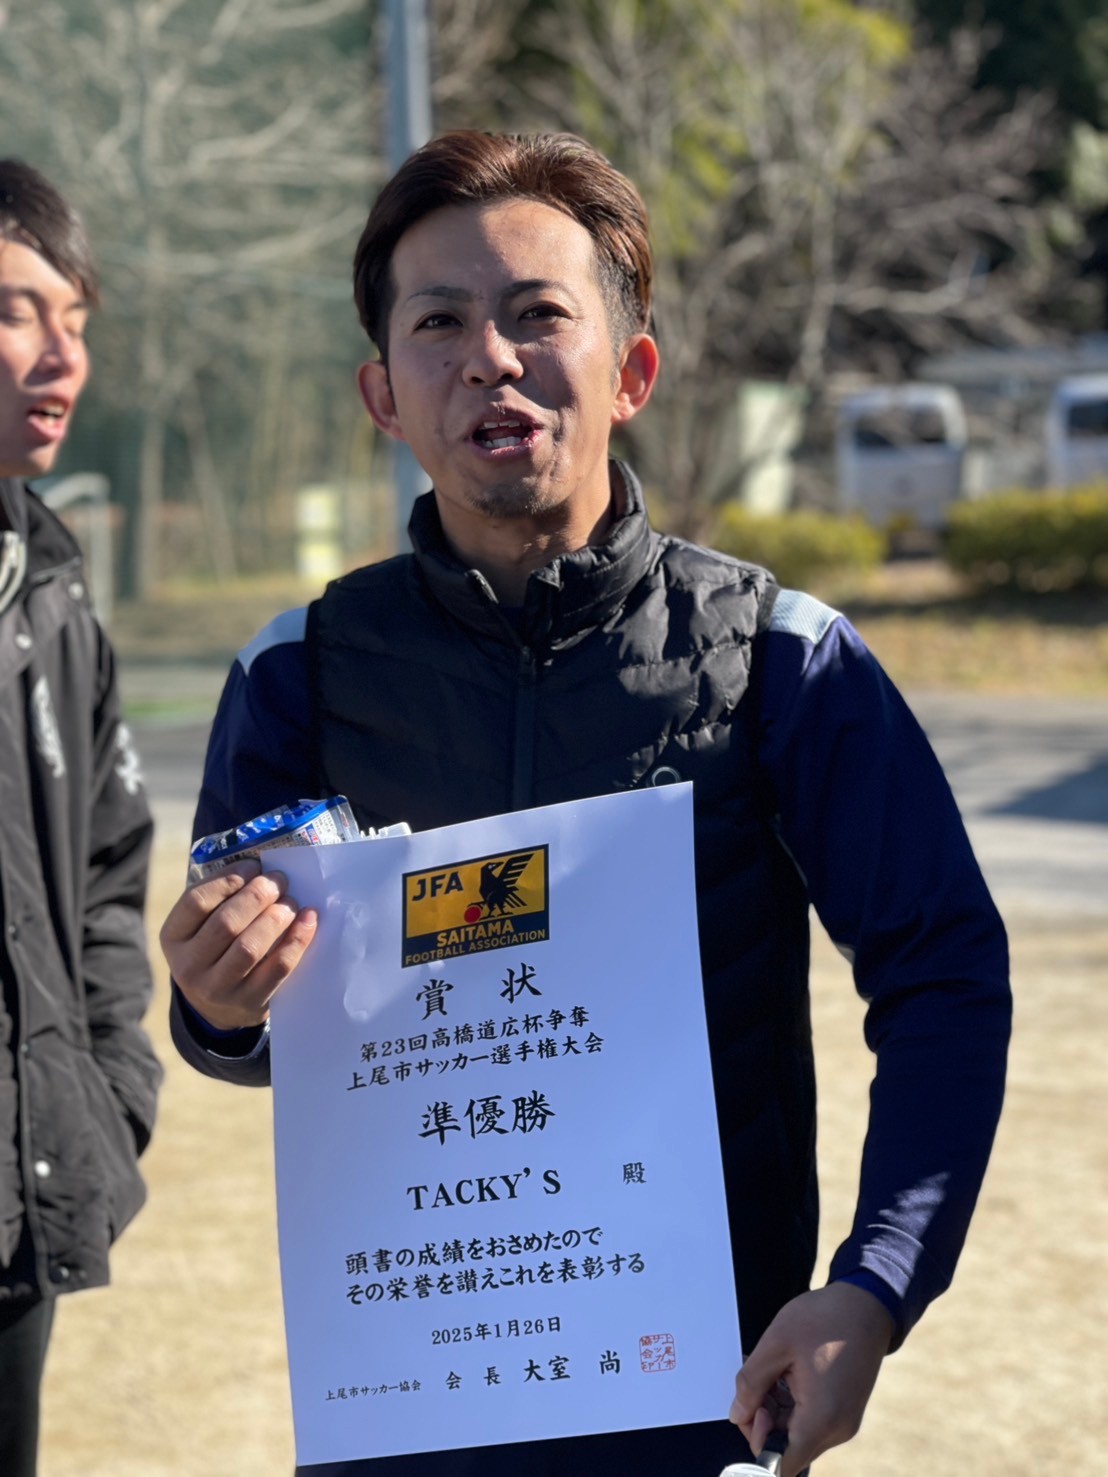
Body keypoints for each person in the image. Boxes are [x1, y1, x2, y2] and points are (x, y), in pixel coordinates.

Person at [160, 131, 1010, 1477]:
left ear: (632, 372)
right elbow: (261, 1043)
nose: (489, 359)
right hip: (412, 1403)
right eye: (439, 323)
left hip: (695, 1410)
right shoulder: (297, 674)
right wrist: (221, 1000)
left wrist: (877, 1283)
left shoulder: (780, 657)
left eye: (538, 314)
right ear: (382, 394)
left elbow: (944, 973)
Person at [0, 160, 162, 1475]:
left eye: (77, 320)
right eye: (18, 313)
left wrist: (108, 1095)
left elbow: (110, 878)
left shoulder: (53, 594)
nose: (63, 356)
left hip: (18, 1205)